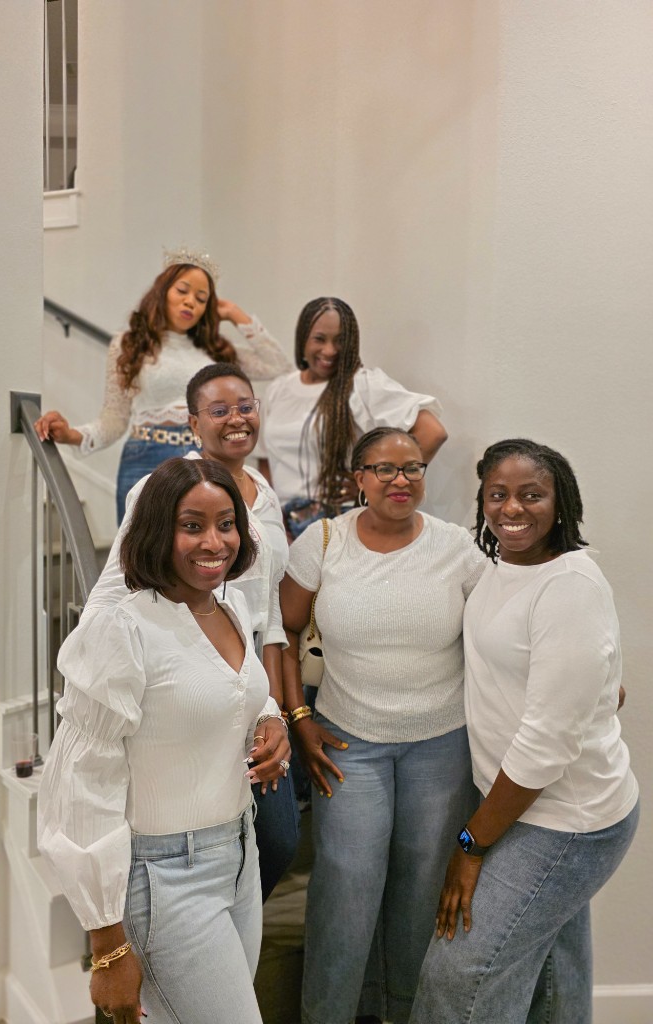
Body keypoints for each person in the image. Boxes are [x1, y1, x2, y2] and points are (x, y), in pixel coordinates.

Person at [37, 457, 291, 1023]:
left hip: (239, 855)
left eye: (226, 523)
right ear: (155, 530)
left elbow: (233, 694)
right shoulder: (122, 629)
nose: (215, 541)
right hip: (164, 879)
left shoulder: (230, 606)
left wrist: (271, 720)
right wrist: (108, 947)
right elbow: (80, 787)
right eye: (192, 524)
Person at [408, 439, 639, 1024]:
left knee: (462, 973)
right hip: (522, 806)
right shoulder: (503, 568)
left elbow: (545, 746)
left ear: (560, 503)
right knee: (551, 976)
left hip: (568, 820)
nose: (513, 509)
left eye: (531, 495)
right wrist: (599, 690)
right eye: (498, 495)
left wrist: (471, 845)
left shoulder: (568, 585)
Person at [280, 427, 486, 1024]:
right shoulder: (321, 542)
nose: (401, 480)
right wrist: (299, 719)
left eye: (413, 468)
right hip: (349, 741)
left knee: (423, 891)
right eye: (386, 469)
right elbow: (285, 632)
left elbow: (498, 635)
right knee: (345, 888)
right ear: (359, 478)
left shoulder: (458, 548)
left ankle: (405, 1011)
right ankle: (331, 1013)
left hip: (442, 744)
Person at [85, 362, 299, 901]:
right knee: (193, 831)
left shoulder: (265, 496)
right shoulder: (165, 487)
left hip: (248, 685)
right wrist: (89, 673)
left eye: (245, 406)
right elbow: (115, 588)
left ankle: (220, 935)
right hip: (183, 687)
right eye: (219, 410)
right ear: (193, 422)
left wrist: (275, 708)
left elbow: (268, 615)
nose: (236, 419)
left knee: (276, 839)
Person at [34, 247, 289, 523]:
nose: (191, 302)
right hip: (145, 456)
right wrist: (72, 434)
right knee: (141, 554)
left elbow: (279, 365)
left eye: (201, 298)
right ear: (163, 291)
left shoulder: (217, 350)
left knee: (203, 548)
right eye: (183, 291)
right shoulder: (129, 343)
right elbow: (114, 418)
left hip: (208, 455)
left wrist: (235, 314)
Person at [256, 297, 447, 537]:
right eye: (319, 339)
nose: (330, 350)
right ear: (303, 338)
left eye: (340, 341)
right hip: (282, 526)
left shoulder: (362, 385)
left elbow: (432, 432)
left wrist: (378, 482)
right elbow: (265, 462)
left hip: (337, 524)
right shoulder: (278, 389)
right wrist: (272, 520)